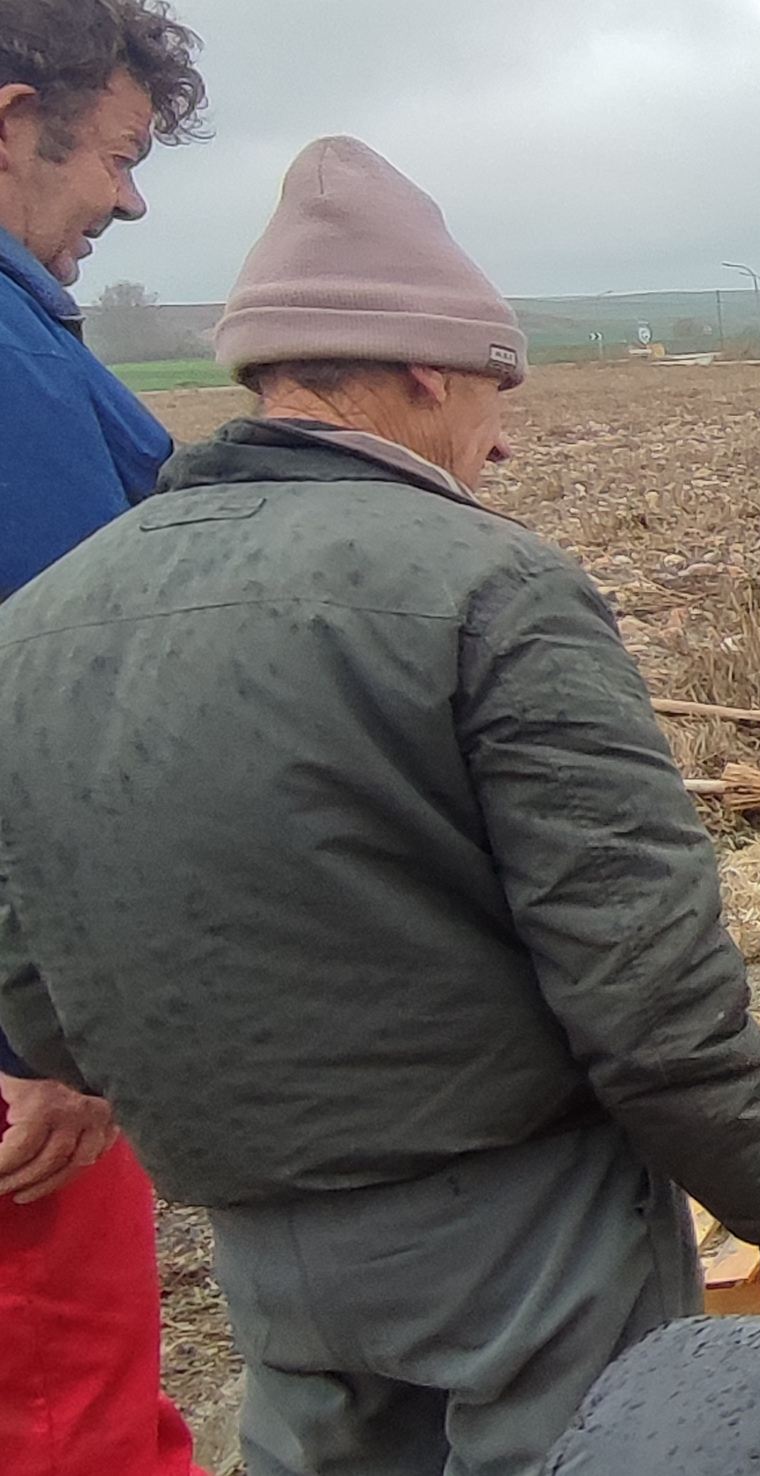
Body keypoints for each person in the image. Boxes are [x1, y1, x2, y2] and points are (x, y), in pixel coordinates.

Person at [0, 136, 760, 1476]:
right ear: (423, 367)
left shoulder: (42, 620)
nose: (505, 433)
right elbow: (647, 990)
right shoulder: (494, 592)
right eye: (495, 387)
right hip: (525, 1235)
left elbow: (34, 967)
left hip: (261, 1246)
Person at [0, 6, 206, 1473]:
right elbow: (57, 712)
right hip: (26, 1070)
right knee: (70, 1421)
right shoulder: (6, 371)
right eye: (122, 158)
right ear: (14, 119)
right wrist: (45, 1033)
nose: (130, 201)